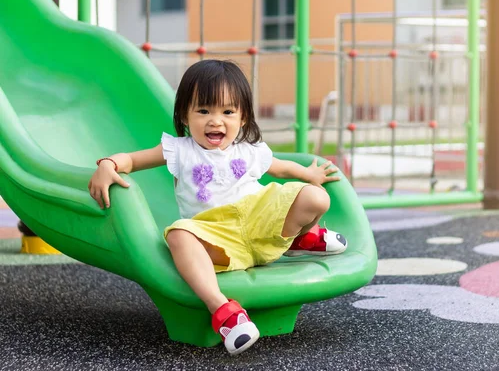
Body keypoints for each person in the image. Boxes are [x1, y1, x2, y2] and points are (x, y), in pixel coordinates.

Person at [88, 59, 348, 355]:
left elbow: (282, 169)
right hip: (216, 235)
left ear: (243, 118)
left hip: (260, 222)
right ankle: (223, 311)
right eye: (203, 111)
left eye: (227, 111)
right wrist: (108, 164)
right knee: (178, 236)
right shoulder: (179, 150)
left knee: (316, 197)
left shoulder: (250, 150)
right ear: (184, 115)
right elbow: (133, 160)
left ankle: (298, 239)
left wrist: (309, 175)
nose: (215, 120)